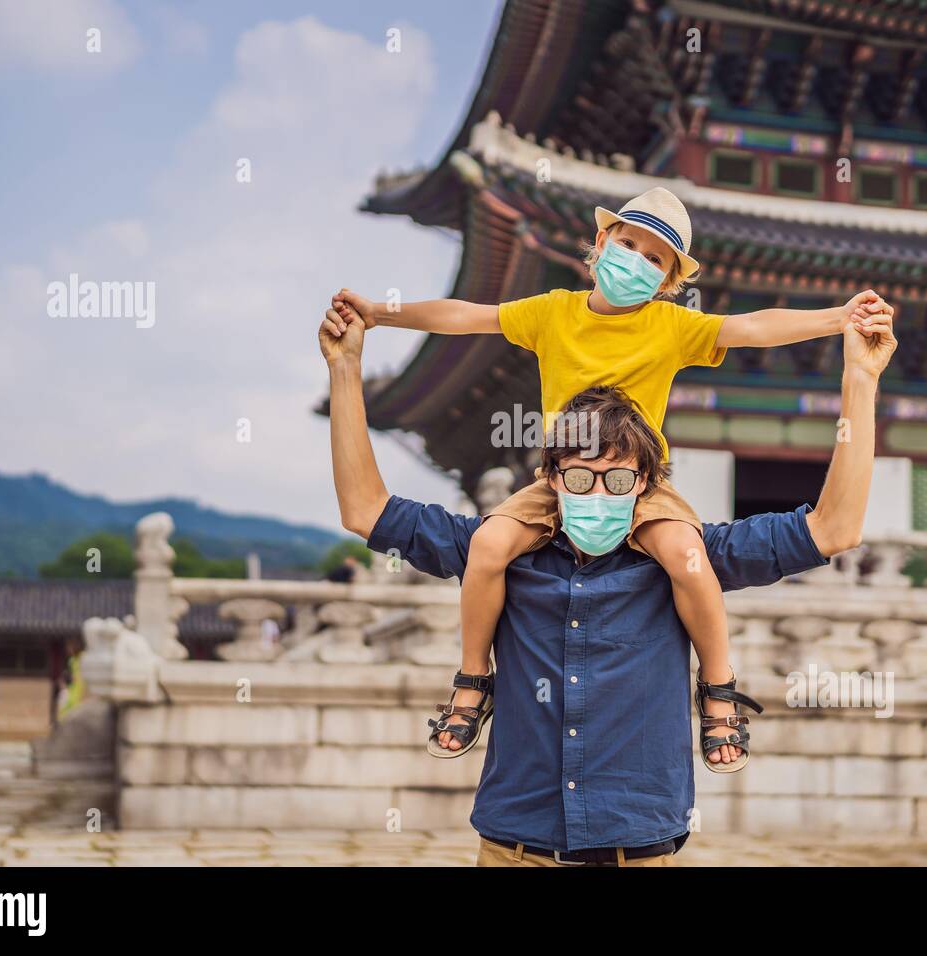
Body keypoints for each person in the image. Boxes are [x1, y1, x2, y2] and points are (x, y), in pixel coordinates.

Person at [318, 292, 896, 866]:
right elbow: (366, 510)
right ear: (550, 477)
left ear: (646, 483)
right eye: (580, 477)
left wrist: (861, 377)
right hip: (515, 848)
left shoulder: (688, 556)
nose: (599, 493)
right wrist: (346, 369)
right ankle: (473, 682)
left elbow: (834, 529)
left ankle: (718, 695)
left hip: (638, 850)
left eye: (618, 480)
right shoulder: (499, 550)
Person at [323, 185, 889, 771]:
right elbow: (467, 316)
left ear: (669, 281)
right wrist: (381, 314)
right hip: (558, 477)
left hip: (640, 480)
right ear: (600, 243)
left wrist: (838, 317)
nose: (637, 261)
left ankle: (718, 691)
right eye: (628, 243)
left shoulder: (672, 326)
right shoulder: (551, 312)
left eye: (655, 259)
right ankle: (472, 679)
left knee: (688, 558)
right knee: (489, 544)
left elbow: (751, 327)